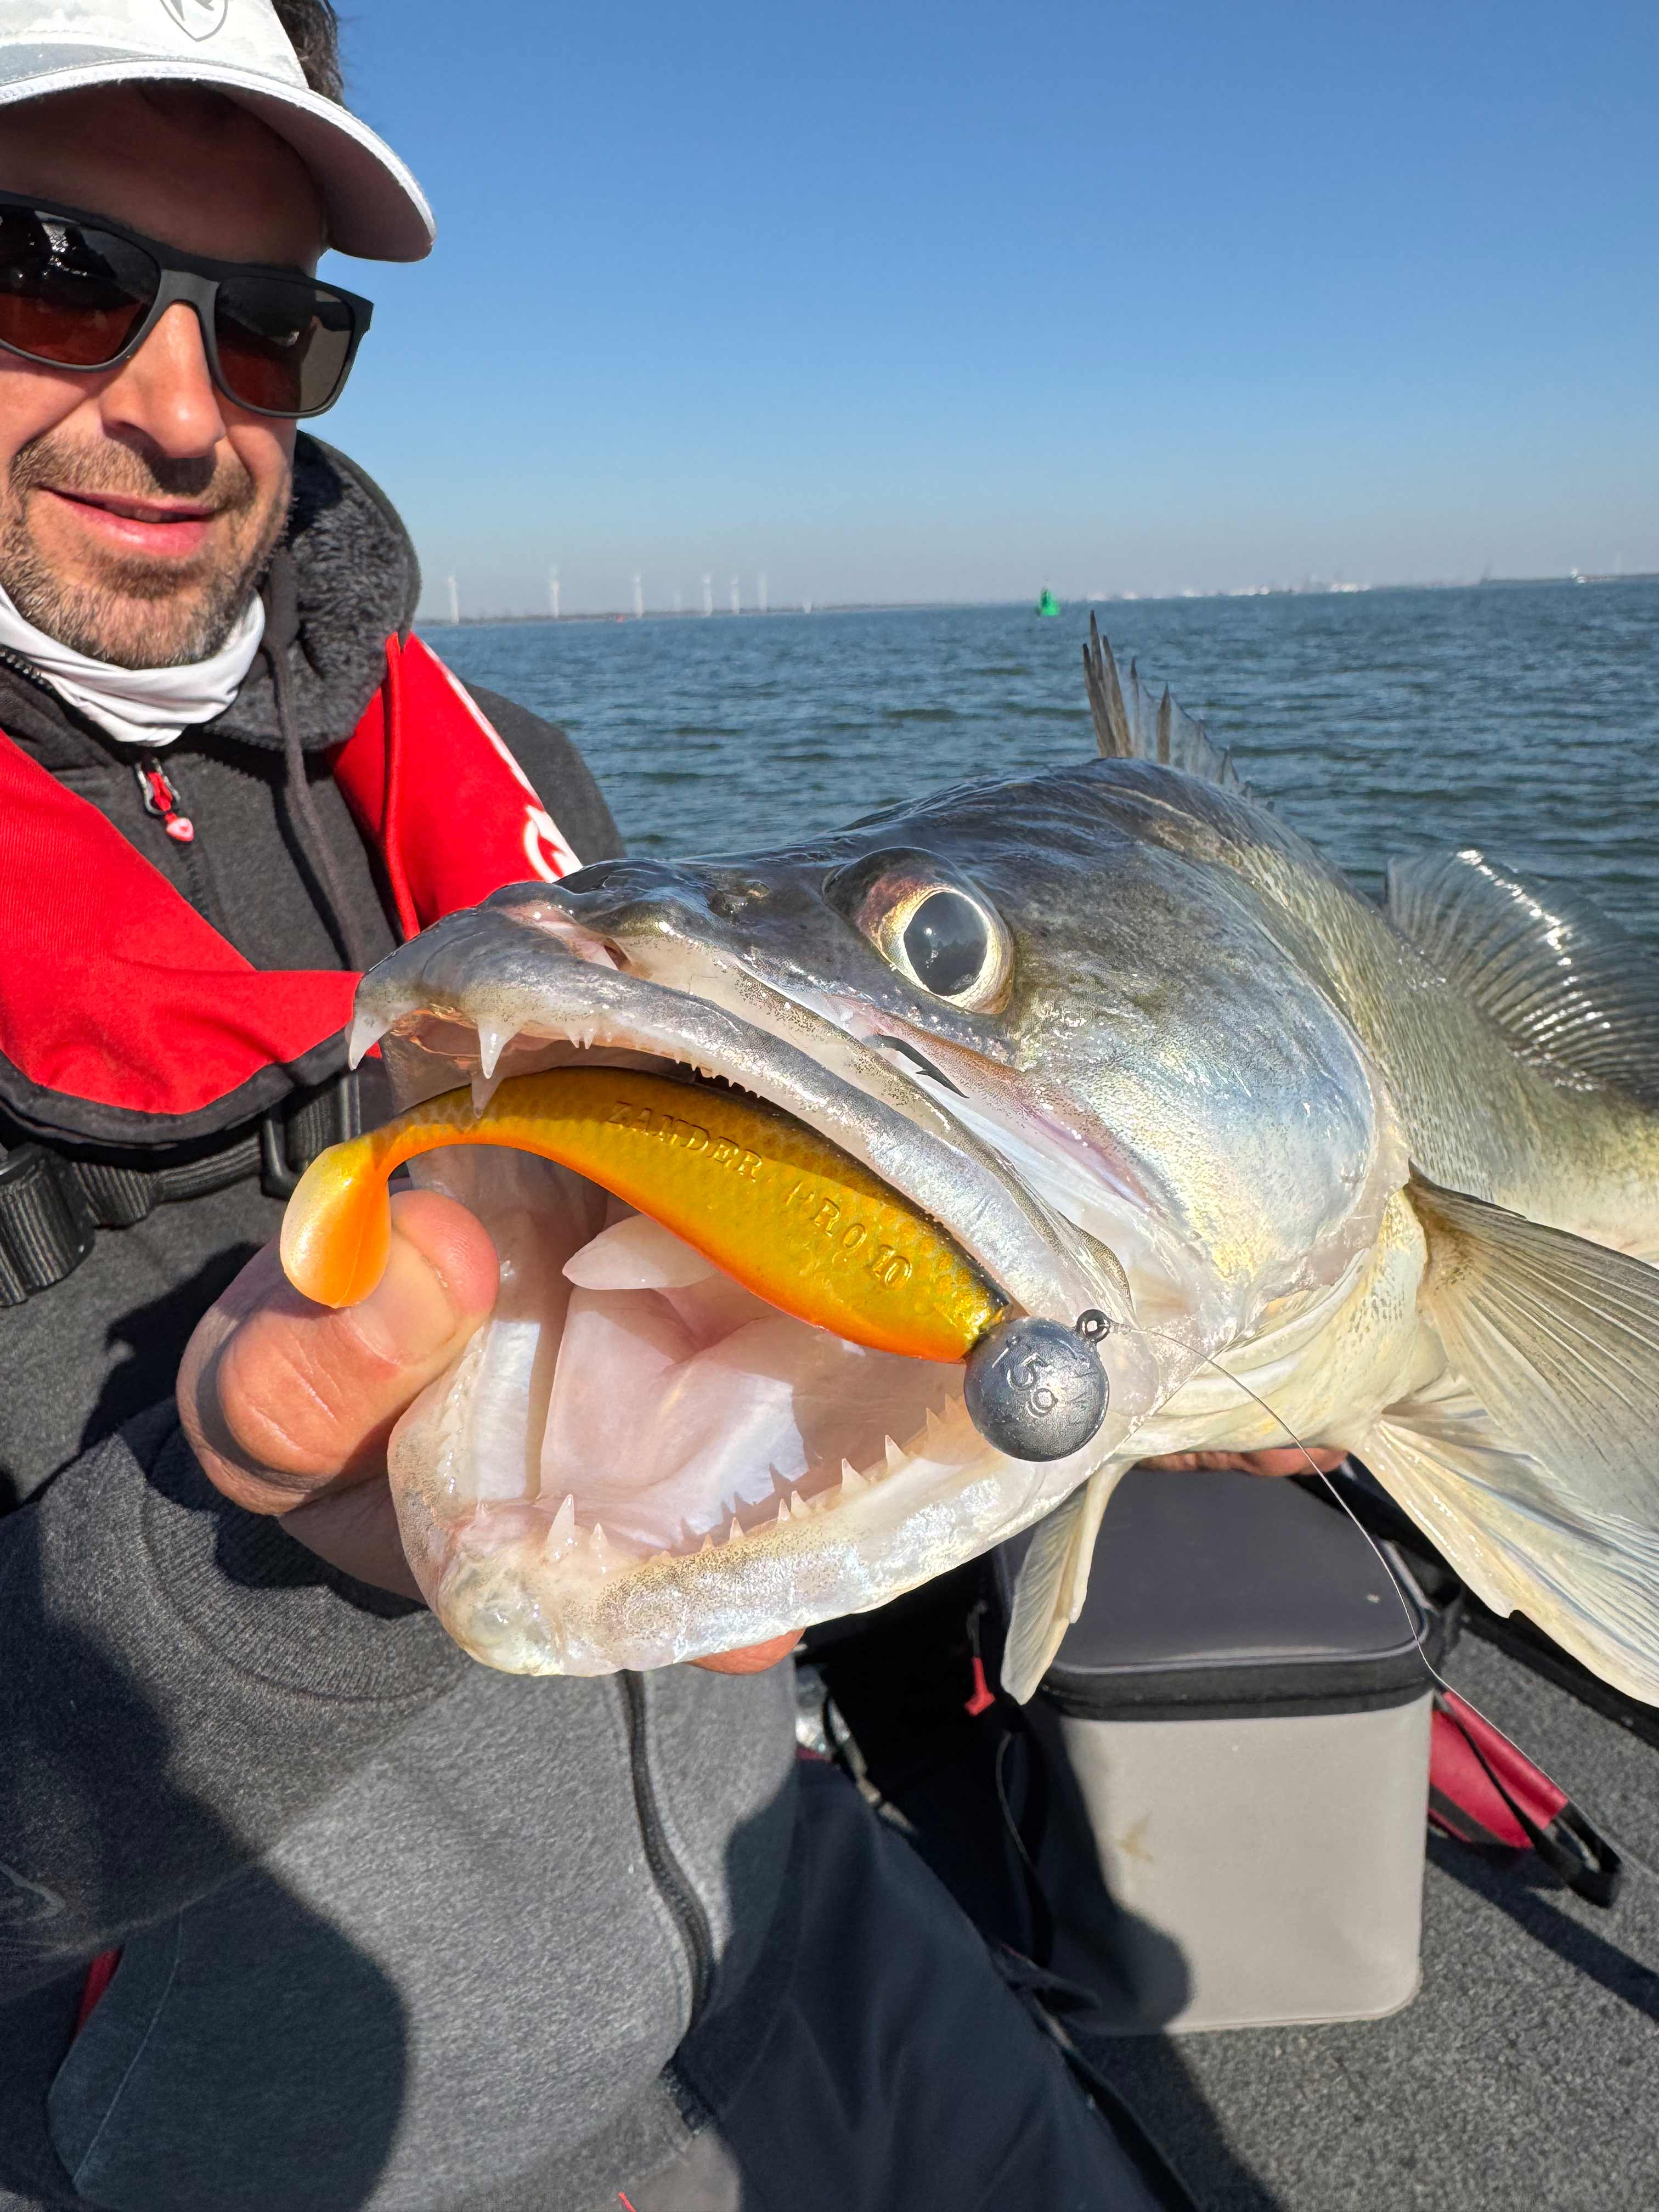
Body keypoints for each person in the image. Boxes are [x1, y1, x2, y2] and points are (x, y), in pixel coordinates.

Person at [0, 6, 1193, 2208]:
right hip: (311, 2147)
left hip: (796, 1916)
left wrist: (1151, 1320)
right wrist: (236, 1565)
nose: (176, 407)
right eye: (50, 273)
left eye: (265, 329)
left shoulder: (524, 791)